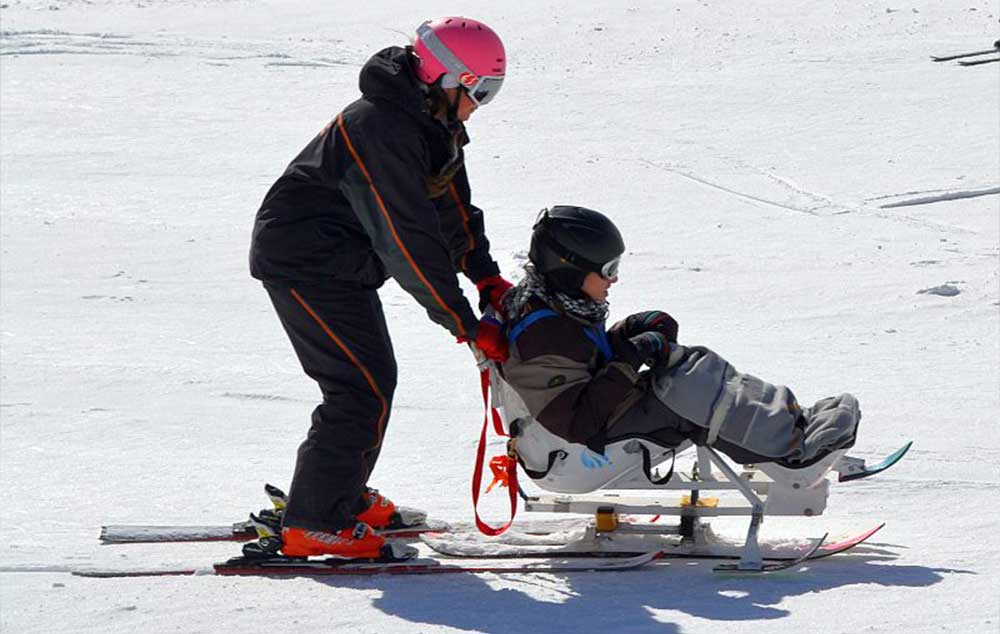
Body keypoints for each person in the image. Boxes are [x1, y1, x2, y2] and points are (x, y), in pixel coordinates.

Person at [249, 17, 512, 560]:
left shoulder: (427, 121)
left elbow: (450, 207)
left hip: (339, 264)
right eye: (479, 91)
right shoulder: (383, 129)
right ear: (446, 79)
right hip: (304, 262)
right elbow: (406, 238)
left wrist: (483, 274)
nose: (481, 104)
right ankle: (314, 521)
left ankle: (335, 496)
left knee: (369, 383)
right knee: (358, 389)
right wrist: (464, 323)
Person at [497, 205, 860, 479]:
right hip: (577, 450)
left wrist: (631, 332)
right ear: (570, 270)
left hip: (597, 417)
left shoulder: (557, 307)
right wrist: (629, 356)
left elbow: (584, 362)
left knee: (693, 365)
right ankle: (792, 456)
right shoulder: (543, 334)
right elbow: (577, 420)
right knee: (690, 389)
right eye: (608, 270)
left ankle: (792, 424)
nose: (615, 280)